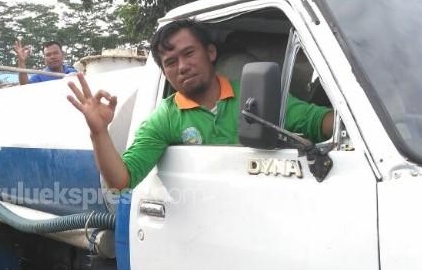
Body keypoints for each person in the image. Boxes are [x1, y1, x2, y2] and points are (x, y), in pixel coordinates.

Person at [67, 19, 334, 191]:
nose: (182, 66)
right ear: (165, 72)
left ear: (211, 53)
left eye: (189, 53)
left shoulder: (253, 97)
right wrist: (99, 132)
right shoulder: (166, 118)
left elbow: (318, 121)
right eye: (171, 62)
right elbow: (122, 180)